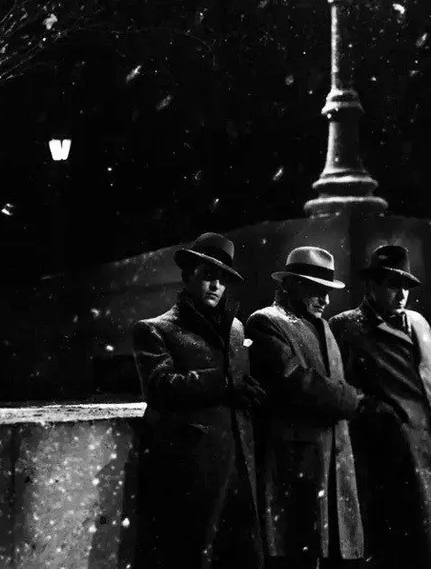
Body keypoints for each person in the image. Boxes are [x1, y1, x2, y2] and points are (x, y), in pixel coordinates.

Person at [247, 246, 395, 569]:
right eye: (316, 290)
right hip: (297, 470)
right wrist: (358, 402)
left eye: (327, 292)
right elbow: (298, 382)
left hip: (333, 468)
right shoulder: (264, 322)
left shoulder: (323, 326)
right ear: (290, 285)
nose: (326, 300)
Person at [131, 232, 267, 569]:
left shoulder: (235, 328)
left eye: (223, 279)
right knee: (190, 557)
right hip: (189, 473)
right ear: (188, 275)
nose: (216, 285)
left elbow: (241, 390)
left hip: (239, 469)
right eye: (208, 275)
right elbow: (161, 387)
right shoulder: (155, 329)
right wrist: (224, 382)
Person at [331, 245, 431, 569]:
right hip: (396, 461)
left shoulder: (419, 322)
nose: (402, 294)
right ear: (371, 286)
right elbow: (340, 388)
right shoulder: (348, 327)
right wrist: (381, 417)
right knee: (408, 552)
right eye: (393, 284)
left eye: (406, 285)